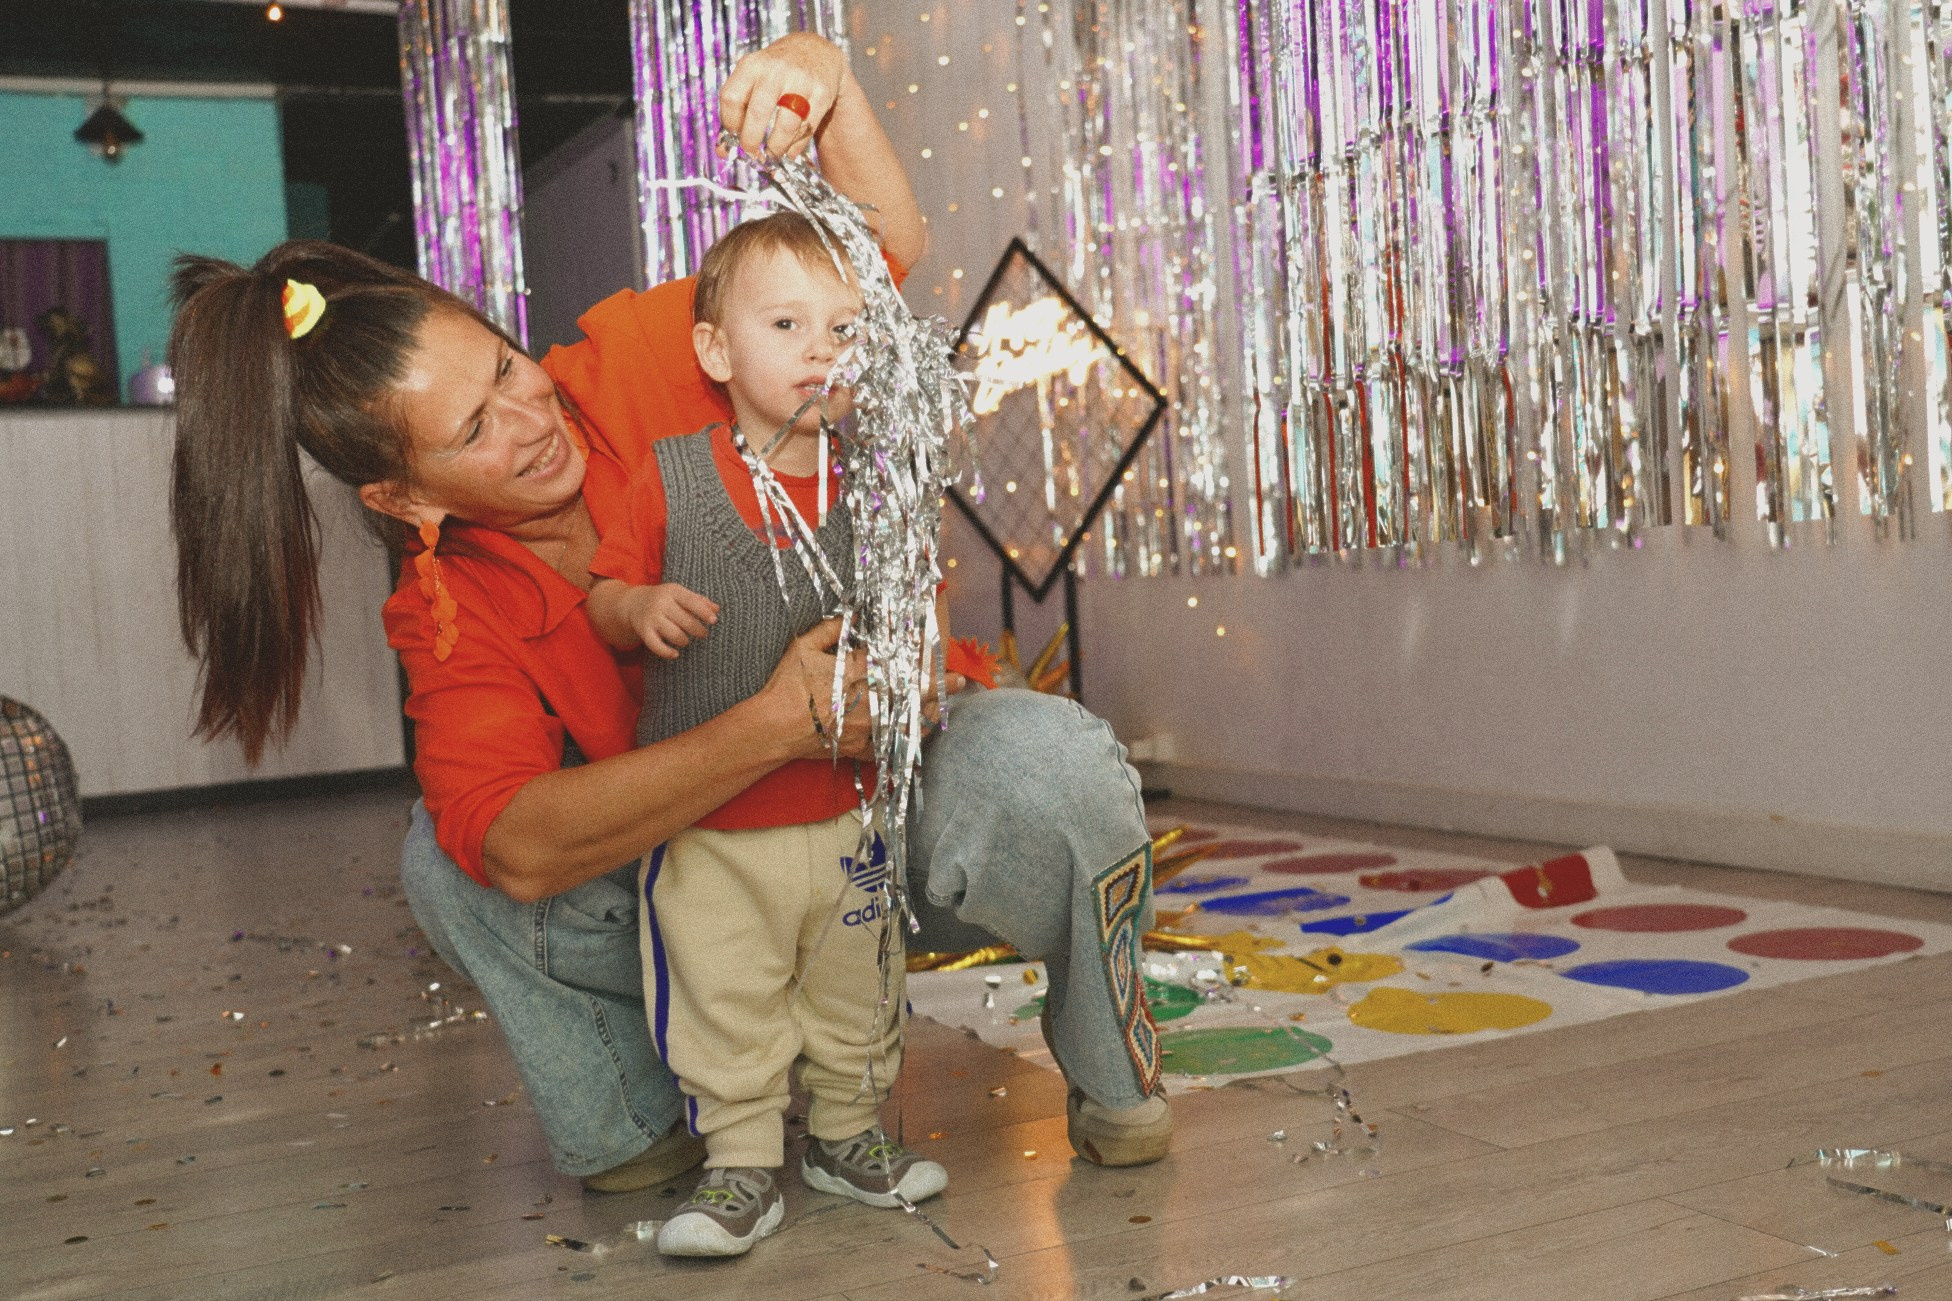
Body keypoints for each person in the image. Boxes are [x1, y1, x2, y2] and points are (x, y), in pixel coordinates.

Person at [167, 31, 1171, 1209]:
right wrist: (770, 725)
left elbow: (872, 257)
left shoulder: (634, 363)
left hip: (883, 828)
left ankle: (1110, 1075)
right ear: (404, 498)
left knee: (1052, 760)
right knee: (447, 863)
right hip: (705, 891)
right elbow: (515, 840)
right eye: (472, 431)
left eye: (500, 366)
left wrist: (828, 84)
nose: (527, 414)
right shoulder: (446, 607)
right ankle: (652, 1114)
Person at [583, 212, 948, 1256]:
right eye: (786, 321)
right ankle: (738, 1162)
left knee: (858, 986)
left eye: (844, 325)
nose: (820, 348)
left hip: (848, 813)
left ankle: (846, 1136)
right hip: (712, 826)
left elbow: (915, 612)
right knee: (722, 994)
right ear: (715, 349)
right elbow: (604, 592)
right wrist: (638, 606)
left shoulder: (875, 483)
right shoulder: (673, 476)